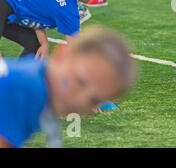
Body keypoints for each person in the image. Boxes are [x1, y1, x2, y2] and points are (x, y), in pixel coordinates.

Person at [0, 26, 135, 148]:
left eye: (93, 101)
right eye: (81, 82)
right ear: (62, 55)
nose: (80, 101)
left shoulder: (35, 82)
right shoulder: (27, 88)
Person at [0, 0, 101, 60]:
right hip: (3, 3)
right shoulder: (69, 11)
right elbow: (75, 49)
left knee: (36, 46)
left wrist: (44, 43)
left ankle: (20, 77)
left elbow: (37, 15)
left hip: (5, 3)